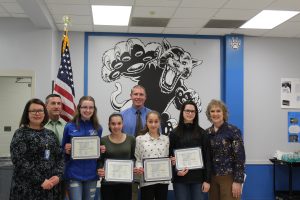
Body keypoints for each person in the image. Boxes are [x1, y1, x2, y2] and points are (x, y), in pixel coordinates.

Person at [10, 98, 64, 200]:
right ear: (27, 114)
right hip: (27, 189)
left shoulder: (50, 134)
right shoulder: (20, 134)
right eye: (33, 111)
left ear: (44, 113)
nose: (37, 113)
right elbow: (19, 161)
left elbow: (60, 157)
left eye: (40, 110)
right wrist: (41, 180)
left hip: (51, 187)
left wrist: (58, 176)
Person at [62, 96, 103, 200]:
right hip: (74, 174)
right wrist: (66, 150)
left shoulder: (98, 128)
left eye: (91, 107)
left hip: (91, 175)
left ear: (94, 110)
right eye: (84, 107)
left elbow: (98, 154)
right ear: (79, 108)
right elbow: (62, 151)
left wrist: (101, 150)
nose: (88, 110)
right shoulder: (69, 126)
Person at [169, 100, 211, 200]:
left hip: (198, 179)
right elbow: (170, 157)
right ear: (182, 112)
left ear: (196, 114)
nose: (190, 113)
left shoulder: (203, 133)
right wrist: (176, 171)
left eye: (193, 111)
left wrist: (207, 180)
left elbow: (207, 158)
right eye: (187, 111)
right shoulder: (174, 133)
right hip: (180, 178)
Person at [205, 99, 246, 200]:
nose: (215, 114)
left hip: (229, 177)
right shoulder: (206, 133)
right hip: (212, 178)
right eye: (212, 111)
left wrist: (238, 181)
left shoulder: (233, 131)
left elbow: (240, 157)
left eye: (218, 111)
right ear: (209, 114)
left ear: (224, 113)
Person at [121, 85, 151, 200]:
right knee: (131, 195)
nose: (138, 97)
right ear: (131, 96)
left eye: (141, 94)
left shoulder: (152, 115)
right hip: (128, 162)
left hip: (147, 162)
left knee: (148, 195)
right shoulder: (122, 115)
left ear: (145, 97)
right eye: (135, 94)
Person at [97, 113, 136, 200]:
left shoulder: (131, 139)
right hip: (108, 184)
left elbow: (134, 158)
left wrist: (133, 167)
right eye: (113, 124)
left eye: (119, 123)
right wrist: (100, 169)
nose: (116, 126)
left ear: (123, 124)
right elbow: (99, 160)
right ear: (109, 125)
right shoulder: (102, 140)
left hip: (125, 183)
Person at [135, 110, 170, 200]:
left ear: (159, 123)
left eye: (156, 121)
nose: (153, 124)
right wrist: (139, 168)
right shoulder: (140, 139)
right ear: (146, 122)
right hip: (146, 180)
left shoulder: (166, 139)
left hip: (162, 180)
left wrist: (172, 160)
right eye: (150, 121)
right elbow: (138, 158)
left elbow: (169, 158)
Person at [44, 93, 67, 200]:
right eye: (53, 103)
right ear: (46, 106)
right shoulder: (40, 126)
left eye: (59, 103)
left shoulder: (67, 126)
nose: (57, 106)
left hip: (62, 171)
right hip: (44, 171)